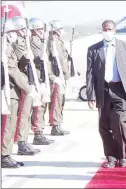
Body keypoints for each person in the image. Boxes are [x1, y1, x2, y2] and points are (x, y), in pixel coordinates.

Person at [86, 20, 126, 168]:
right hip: (103, 90)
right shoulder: (93, 50)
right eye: (105, 29)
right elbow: (90, 74)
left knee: (120, 124)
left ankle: (122, 155)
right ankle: (111, 157)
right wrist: (91, 95)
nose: (107, 31)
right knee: (104, 126)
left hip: (120, 90)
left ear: (115, 30)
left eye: (110, 29)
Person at [12, 16, 41, 155]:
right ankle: (21, 143)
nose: (25, 31)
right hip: (23, 81)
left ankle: (24, 141)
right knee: (23, 115)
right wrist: (26, 58)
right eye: (23, 29)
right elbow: (19, 63)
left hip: (29, 79)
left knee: (27, 113)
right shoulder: (18, 42)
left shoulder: (24, 41)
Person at [1, 18, 27, 168]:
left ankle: (6, 154)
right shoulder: (5, 47)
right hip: (8, 90)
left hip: (11, 90)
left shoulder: (8, 46)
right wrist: (28, 88)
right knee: (8, 124)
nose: (16, 35)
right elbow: (12, 69)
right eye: (14, 32)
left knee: (10, 124)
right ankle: (4, 155)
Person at [29, 17, 54, 145]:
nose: (41, 31)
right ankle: (37, 133)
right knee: (38, 107)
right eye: (39, 29)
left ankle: (40, 131)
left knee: (42, 105)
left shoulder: (39, 40)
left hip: (42, 76)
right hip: (37, 76)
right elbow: (38, 58)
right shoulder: (33, 41)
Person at [47, 20, 71, 136]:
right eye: (60, 29)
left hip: (61, 75)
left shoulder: (58, 42)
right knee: (56, 101)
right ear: (56, 30)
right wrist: (60, 75)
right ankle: (55, 125)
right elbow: (57, 60)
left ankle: (58, 123)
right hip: (56, 75)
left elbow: (64, 59)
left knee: (61, 101)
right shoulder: (53, 42)